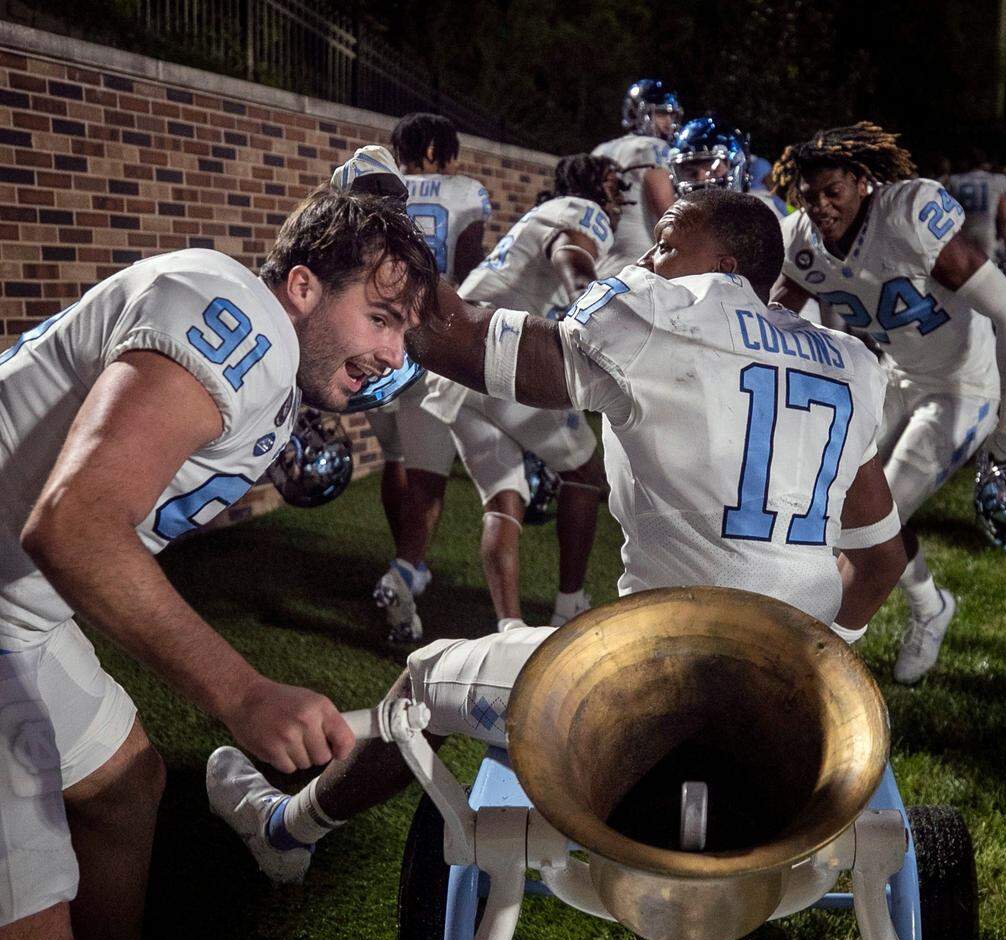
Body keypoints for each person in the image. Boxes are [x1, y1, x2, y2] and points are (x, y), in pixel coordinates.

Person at [206, 187, 908, 882]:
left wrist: (380, 241)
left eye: (667, 243)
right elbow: (879, 561)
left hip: (655, 690)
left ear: (723, 265)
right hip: (798, 704)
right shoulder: (847, 360)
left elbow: (459, 335)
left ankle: (286, 832)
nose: (651, 258)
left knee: (423, 681)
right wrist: (808, 663)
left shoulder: (664, 314)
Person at [0, 180, 437, 940]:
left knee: (125, 783)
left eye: (404, 331)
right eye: (381, 318)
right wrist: (241, 691)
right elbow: (74, 522)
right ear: (304, 287)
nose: (393, 351)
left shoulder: (270, 362)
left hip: (21, 613)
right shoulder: (236, 318)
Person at [769, 122, 1006, 684]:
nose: (819, 206)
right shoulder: (801, 239)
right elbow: (780, 314)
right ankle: (929, 605)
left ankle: (812, 670)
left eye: (831, 191)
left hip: (964, 385)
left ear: (863, 181)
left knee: (875, 514)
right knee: (836, 505)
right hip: (891, 375)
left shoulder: (906, 218)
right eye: (808, 195)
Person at [415, 154, 621, 633]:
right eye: (611, 183)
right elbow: (569, 253)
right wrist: (594, 306)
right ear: (590, 184)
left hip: (450, 366)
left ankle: (510, 629)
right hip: (493, 353)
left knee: (504, 498)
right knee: (586, 471)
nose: (617, 195)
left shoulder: (538, 214)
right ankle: (570, 604)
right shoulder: (580, 211)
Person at [348, 117, 493, 640]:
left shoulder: (379, 184)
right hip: (428, 337)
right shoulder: (466, 192)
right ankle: (407, 567)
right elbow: (472, 267)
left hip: (372, 338)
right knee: (429, 469)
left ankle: (407, 560)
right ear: (436, 150)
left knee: (395, 458)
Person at [592, 79, 681, 276]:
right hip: (638, 263)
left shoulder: (600, 150)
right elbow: (669, 214)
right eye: (661, 113)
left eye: (671, 114)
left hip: (597, 263)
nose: (668, 121)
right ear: (637, 112)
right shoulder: (653, 147)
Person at [947, 148, 1006, 262]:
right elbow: (1004, 218)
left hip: (963, 234)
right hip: (986, 233)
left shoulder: (955, 181)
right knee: (986, 274)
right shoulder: (996, 180)